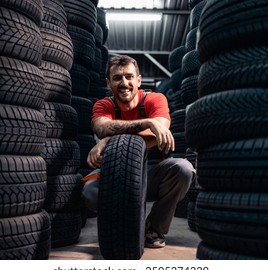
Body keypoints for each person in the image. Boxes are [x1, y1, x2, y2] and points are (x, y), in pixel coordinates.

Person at [82, 55, 195, 248]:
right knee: (89, 191)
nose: (124, 83)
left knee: (184, 169)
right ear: (108, 83)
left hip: (152, 174)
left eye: (129, 77)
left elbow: (159, 133)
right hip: (114, 174)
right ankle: (128, 227)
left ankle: (154, 228)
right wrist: (147, 123)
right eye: (117, 78)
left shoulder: (155, 99)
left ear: (139, 80)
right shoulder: (104, 105)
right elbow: (102, 128)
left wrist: (109, 140)